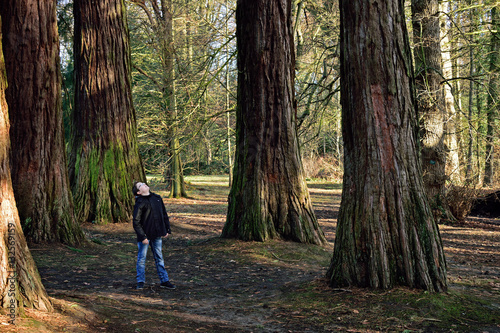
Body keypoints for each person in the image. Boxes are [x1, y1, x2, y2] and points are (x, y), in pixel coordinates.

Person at [132, 181, 176, 290]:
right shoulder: (140, 202)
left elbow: (164, 214)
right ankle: (140, 281)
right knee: (141, 259)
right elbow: (136, 222)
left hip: (157, 234)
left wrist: (166, 229)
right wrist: (143, 237)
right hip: (145, 236)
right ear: (138, 192)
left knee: (159, 257)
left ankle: (164, 280)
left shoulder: (157, 198)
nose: (143, 184)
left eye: (143, 183)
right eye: (140, 185)